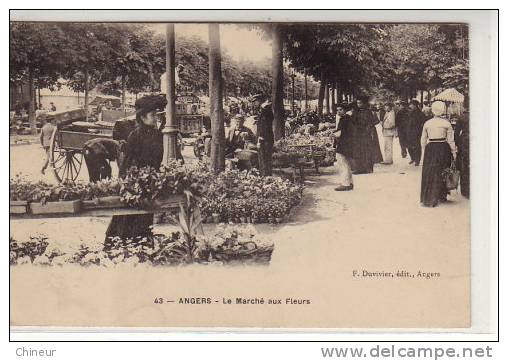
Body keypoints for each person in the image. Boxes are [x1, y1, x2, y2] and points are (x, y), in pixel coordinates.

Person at [105, 94, 167, 246]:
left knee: (145, 216)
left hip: (150, 182)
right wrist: (129, 182)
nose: (155, 119)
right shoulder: (135, 135)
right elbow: (126, 162)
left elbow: (157, 159)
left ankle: (142, 244)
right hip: (136, 183)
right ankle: (122, 244)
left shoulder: (157, 134)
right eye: (152, 115)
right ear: (143, 117)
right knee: (128, 215)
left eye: (156, 115)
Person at [420, 101, 456, 207]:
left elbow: (423, 139)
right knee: (443, 171)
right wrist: (454, 152)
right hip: (443, 148)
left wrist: (424, 150)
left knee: (430, 172)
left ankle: (429, 197)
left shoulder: (427, 123)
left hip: (431, 148)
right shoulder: (446, 123)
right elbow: (451, 140)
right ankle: (442, 195)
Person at [350, 96, 379, 174]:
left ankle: (368, 168)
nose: (359, 104)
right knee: (358, 151)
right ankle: (359, 168)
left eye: (360, 103)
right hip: (358, 134)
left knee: (367, 150)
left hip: (366, 134)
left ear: (364, 103)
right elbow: (352, 122)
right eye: (358, 103)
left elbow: (372, 122)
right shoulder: (355, 112)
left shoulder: (368, 112)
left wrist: (368, 128)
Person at [250, 94, 274, 176]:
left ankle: (265, 177)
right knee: (264, 160)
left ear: (260, 101)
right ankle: (266, 177)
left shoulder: (265, 110)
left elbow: (264, 127)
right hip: (266, 139)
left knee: (264, 160)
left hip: (265, 140)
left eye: (255, 101)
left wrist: (260, 139)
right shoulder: (264, 110)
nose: (254, 104)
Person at [333, 103, 355, 191]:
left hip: (343, 143)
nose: (338, 111)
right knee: (347, 164)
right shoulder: (348, 118)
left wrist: (333, 134)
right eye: (337, 110)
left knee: (342, 163)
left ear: (345, 110)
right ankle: (350, 183)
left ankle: (345, 184)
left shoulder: (344, 120)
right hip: (348, 143)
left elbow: (340, 133)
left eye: (340, 110)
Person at [455, 98, 469, 198]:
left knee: (464, 166)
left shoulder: (461, 117)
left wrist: (458, 144)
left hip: (464, 142)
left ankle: (465, 191)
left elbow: (456, 133)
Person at [406, 100, 427, 166]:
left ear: (415, 105)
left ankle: (417, 160)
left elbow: (424, 123)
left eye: (411, 105)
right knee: (409, 146)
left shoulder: (420, 114)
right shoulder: (410, 113)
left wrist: (420, 130)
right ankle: (413, 158)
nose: (410, 106)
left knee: (417, 146)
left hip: (417, 132)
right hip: (409, 132)